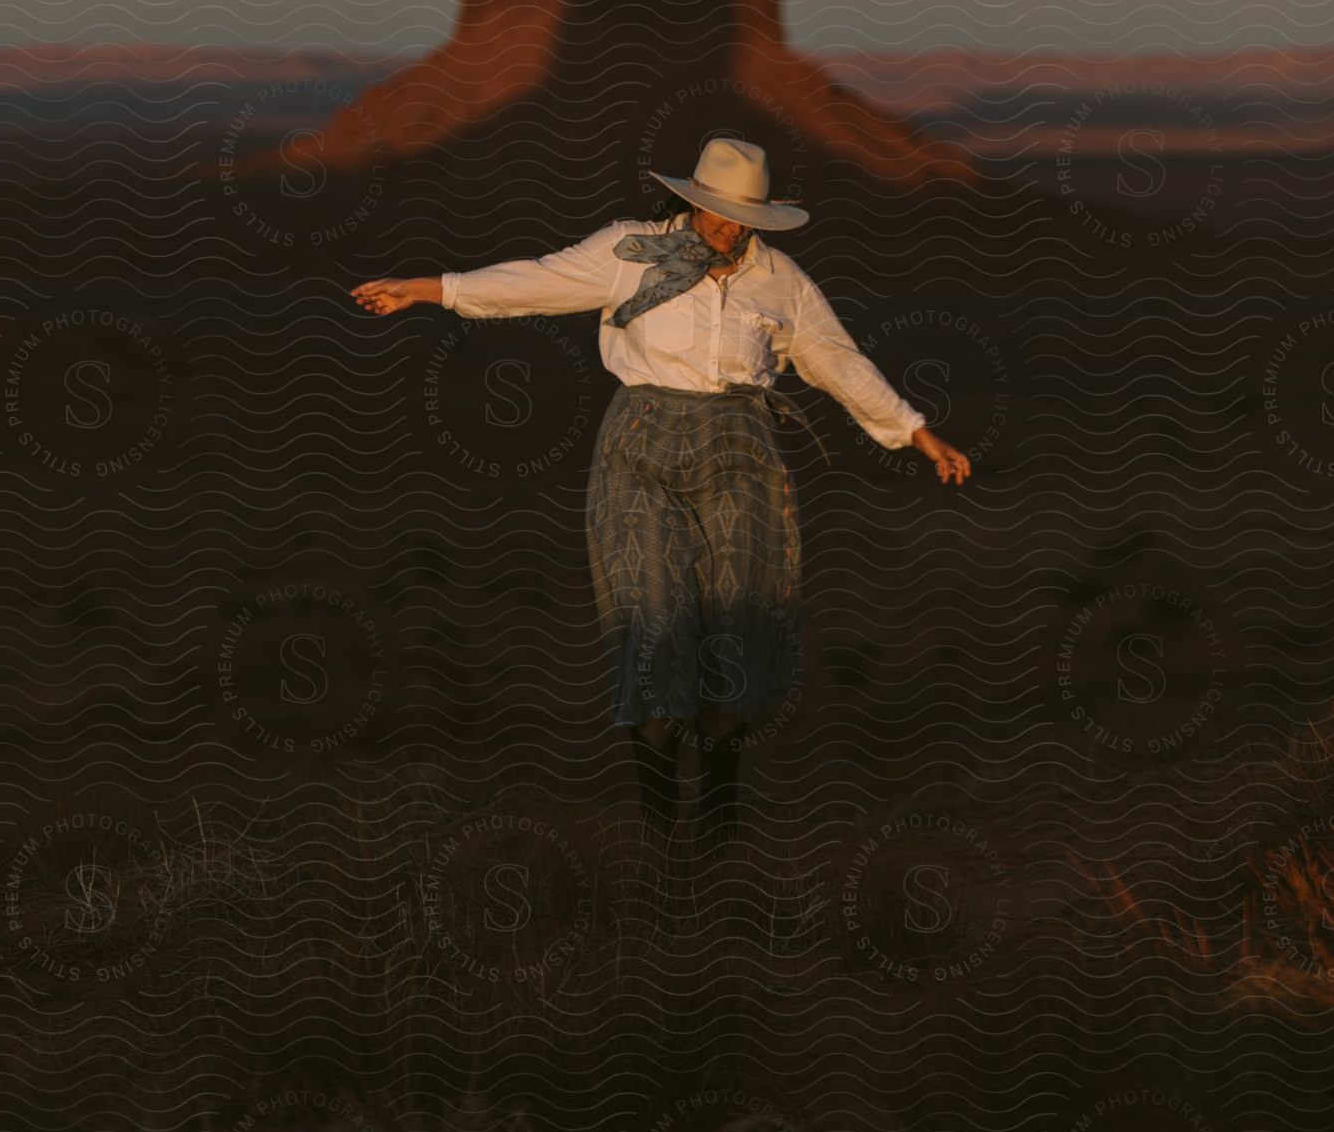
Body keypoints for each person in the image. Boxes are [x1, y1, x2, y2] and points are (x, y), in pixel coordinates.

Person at [350, 137, 971, 860]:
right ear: (690, 199)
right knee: (648, 623)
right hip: (639, 443)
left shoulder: (779, 279)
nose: (726, 227)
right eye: (715, 211)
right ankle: (656, 832)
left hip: (741, 449)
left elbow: (835, 359)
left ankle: (718, 829)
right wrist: (428, 288)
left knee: (734, 627)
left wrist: (916, 432)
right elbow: (537, 281)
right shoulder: (629, 250)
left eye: (741, 217)